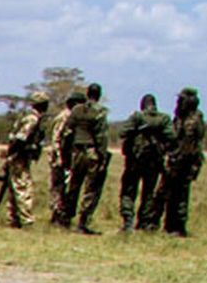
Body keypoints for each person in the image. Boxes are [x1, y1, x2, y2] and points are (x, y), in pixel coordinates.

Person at [117, 94, 171, 233]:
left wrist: (137, 131)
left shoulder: (137, 117)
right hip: (154, 162)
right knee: (148, 193)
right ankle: (144, 223)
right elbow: (172, 137)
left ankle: (128, 222)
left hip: (134, 161)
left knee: (128, 192)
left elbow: (122, 132)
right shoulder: (164, 119)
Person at [61, 83, 110, 235]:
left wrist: (66, 153)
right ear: (99, 95)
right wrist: (102, 157)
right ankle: (83, 221)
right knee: (92, 188)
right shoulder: (100, 111)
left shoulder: (76, 110)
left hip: (77, 151)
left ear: (87, 93)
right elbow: (101, 136)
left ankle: (66, 218)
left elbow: (67, 133)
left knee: (74, 186)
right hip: (91, 151)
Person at [1, 92, 49, 228]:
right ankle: (26, 220)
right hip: (19, 157)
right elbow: (20, 140)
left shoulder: (30, 117)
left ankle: (13, 219)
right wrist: (11, 154)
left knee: (14, 188)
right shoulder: (32, 119)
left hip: (19, 157)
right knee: (23, 188)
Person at [162, 87, 206, 237]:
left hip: (186, 161)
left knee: (180, 193)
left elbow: (189, 144)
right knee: (170, 193)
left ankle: (179, 227)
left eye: (181, 100)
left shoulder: (194, 120)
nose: (178, 102)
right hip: (175, 159)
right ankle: (169, 224)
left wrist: (178, 157)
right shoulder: (180, 117)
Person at [46, 92, 83, 229]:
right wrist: (59, 158)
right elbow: (56, 139)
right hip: (60, 158)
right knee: (59, 187)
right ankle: (57, 215)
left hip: (66, 157)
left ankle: (61, 215)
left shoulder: (72, 117)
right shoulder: (64, 117)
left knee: (64, 187)